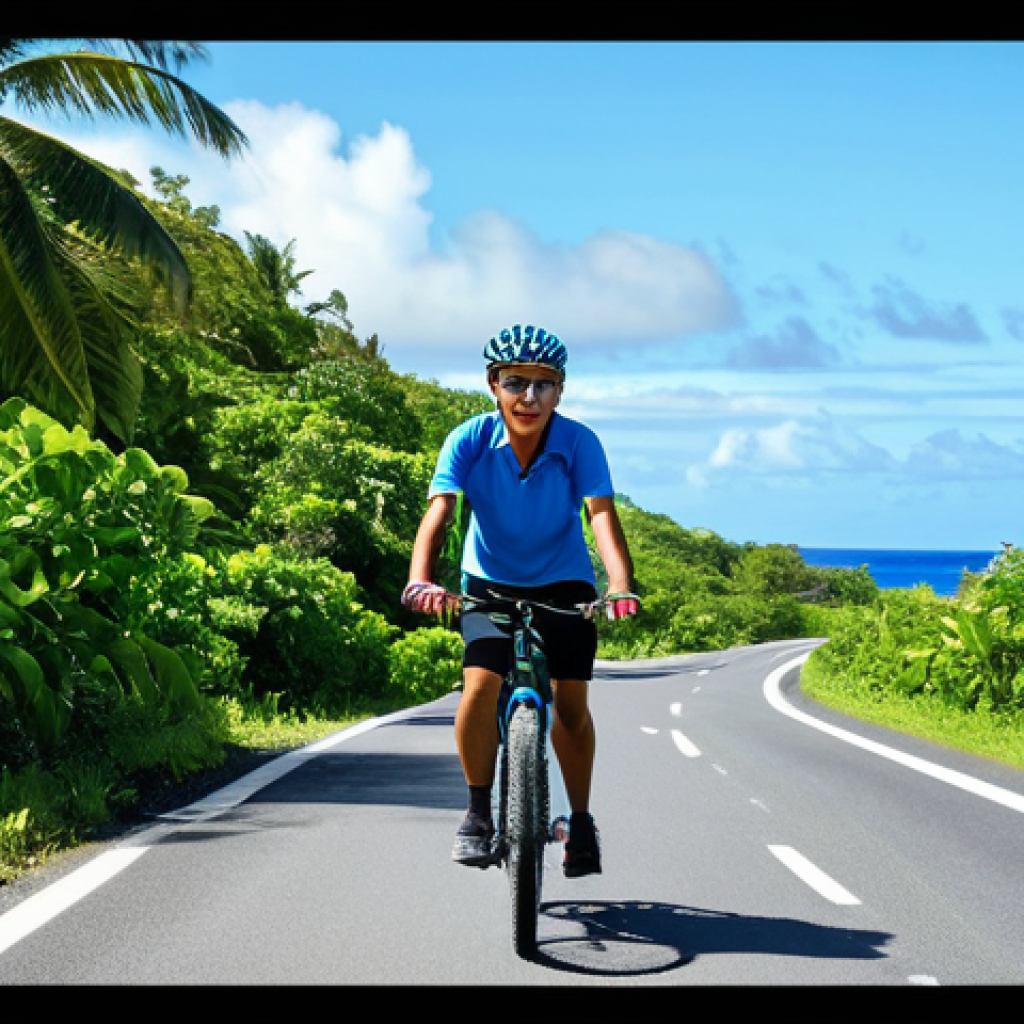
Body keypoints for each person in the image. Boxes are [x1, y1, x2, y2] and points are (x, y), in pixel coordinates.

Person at [402, 324, 638, 878]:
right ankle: (478, 815)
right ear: (493, 385)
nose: (528, 397)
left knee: (572, 707)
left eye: (543, 384)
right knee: (480, 685)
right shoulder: (467, 440)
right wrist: (420, 578)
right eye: (515, 382)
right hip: (489, 584)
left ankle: (580, 823)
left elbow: (600, 515)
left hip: (565, 586)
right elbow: (439, 513)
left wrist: (619, 583)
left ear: (560, 391)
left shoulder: (579, 442)